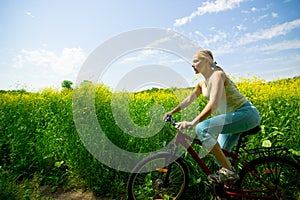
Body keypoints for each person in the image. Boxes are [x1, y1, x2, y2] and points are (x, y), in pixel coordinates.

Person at [163, 50, 260, 183]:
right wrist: (172, 112)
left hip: (246, 114)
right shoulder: (202, 83)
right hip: (232, 117)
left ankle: (230, 171)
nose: (192, 64)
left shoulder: (218, 75)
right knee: (219, 155)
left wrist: (193, 122)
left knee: (202, 128)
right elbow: (189, 99)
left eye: (196, 61)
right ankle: (228, 188)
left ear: (207, 61)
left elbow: (213, 104)